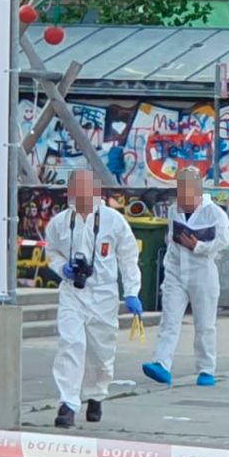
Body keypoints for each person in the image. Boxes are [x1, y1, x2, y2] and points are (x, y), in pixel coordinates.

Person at [43, 170, 142, 428]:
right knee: (71, 344)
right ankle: (68, 403)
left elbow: (128, 257)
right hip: (72, 292)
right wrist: (62, 268)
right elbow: (51, 252)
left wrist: (132, 291)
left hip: (104, 294)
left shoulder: (114, 221)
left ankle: (96, 395)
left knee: (101, 352)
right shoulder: (60, 222)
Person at [143, 168, 229, 388]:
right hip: (176, 271)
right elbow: (171, 240)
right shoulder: (174, 210)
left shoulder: (215, 214)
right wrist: (169, 266)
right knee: (170, 319)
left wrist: (198, 246)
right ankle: (162, 363)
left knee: (205, 324)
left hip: (202, 272)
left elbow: (222, 242)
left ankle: (206, 369)